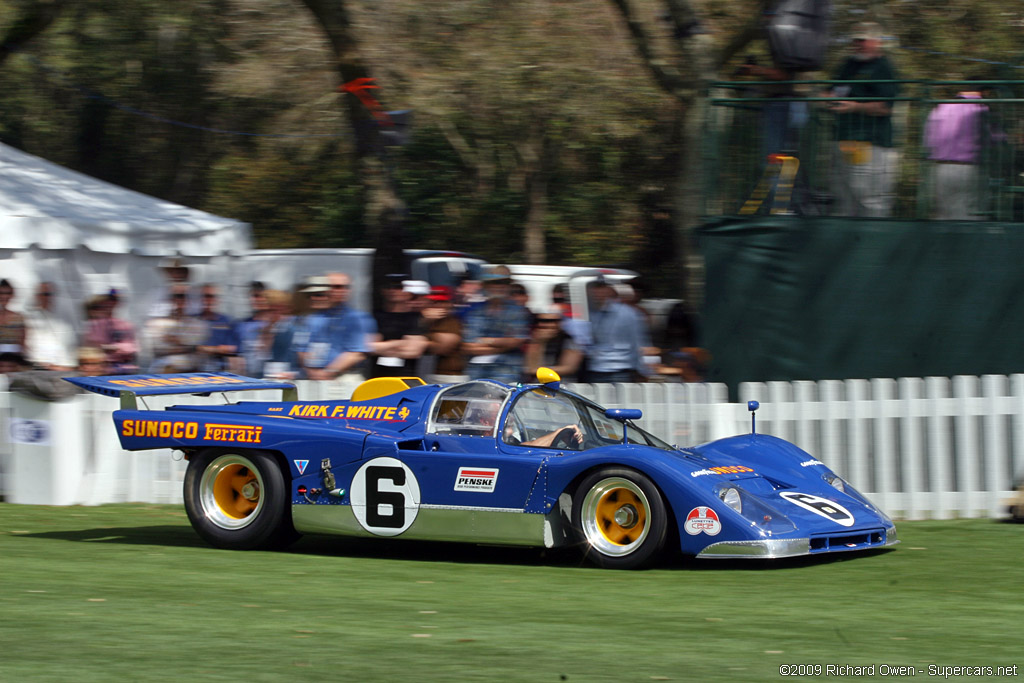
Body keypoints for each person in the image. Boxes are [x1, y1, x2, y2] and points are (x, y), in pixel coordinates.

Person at [827, 21, 900, 217]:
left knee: (871, 200)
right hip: (843, 140)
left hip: (871, 143)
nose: (857, 44)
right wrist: (826, 99)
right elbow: (830, 92)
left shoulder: (883, 67)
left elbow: (885, 107)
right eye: (855, 40)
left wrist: (855, 106)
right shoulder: (847, 65)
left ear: (877, 42)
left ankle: (873, 244)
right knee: (843, 198)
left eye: (862, 40)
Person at [924, 79, 998, 220]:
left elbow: (929, 139)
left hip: (939, 167)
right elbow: (992, 138)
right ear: (984, 92)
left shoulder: (941, 107)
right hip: (968, 168)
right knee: (969, 212)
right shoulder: (980, 109)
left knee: (943, 213)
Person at [461, 266, 531, 384]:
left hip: (508, 373)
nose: (500, 286)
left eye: (504, 283)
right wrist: (502, 344)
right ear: (486, 286)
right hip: (476, 374)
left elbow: (516, 341)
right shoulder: (475, 312)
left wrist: (484, 341)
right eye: (495, 283)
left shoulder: (518, 312)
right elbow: (467, 346)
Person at [301, 272, 372, 383]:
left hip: (344, 376)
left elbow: (356, 353)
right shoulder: (313, 318)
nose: (341, 291)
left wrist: (328, 373)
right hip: (312, 376)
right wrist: (311, 371)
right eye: (335, 287)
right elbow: (302, 348)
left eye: (345, 287)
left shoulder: (357, 318)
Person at [584, 276, 647, 383]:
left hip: (620, 372)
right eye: (594, 288)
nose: (597, 292)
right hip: (594, 369)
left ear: (610, 290)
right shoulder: (590, 312)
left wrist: (642, 370)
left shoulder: (628, 313)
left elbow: (637, 343)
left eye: (601, 288)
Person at [368, 277, 429, 378]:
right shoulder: (375, 316)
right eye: (389, 287)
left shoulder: (416, 318)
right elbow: (368, 347)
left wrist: (382, 345)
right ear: (383, 291)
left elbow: (413, 351)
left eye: (398, 287)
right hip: (375, 375)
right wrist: (400, 343)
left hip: (406, 375)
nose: (393, 291)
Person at [144, 284, 208, 373]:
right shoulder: (156, 324)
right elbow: (155, 350)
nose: (180, 300)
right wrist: (185, 345)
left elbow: (196, 348)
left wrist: (173, 342)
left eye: (184, 296)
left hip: (191, 370)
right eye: (176, 296)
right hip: (164, 370)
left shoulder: (198, 324)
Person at [24, 281, 77, 371]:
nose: (47, 298)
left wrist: (66, 367)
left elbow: (68, 346)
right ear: (37, 296)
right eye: (44, 294)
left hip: (60, 367)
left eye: (50, 294)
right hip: (37, 367)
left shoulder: (63, 319)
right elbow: (28, 346)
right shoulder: (29, 319)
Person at [420, 286, 467, 384]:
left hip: (450, 376)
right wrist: (425, 321)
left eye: (442, 302)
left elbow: (443, 347)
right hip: (424, 373)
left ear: (449, 304)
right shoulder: (422, 320)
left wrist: (422, 340)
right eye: (434, 302)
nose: (438, 306)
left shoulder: (454, 322)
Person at [82, 292, 138, 374]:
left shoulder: (123, 325)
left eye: (106, 306)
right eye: (97, 307)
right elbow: (89, 349)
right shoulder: (90, 326)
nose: (106, 309)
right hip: (97, 369)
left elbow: (132, 348)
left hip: (120, 368)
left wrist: (113, 347)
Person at [522, 308, 583, 383]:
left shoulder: (569, 340)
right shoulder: (535, 340)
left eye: (550, 321)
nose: (543, 324)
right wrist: (541, 342)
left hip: (563, 384)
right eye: (540, 321)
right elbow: (531, 367)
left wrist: (539, 371)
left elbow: (569, 368)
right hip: (538, 384)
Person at [194, 284, 239, 372]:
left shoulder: (227, 321)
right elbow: (188, 346)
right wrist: (218, 349)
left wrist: (204, 349)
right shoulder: (193, 320)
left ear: (217, 299)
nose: (207, 300)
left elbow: (232, 348)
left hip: (219, 368)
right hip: (195, 367)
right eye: (203, 296)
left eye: (210, 296)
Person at [0, 278, 27, 355]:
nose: (4, 296)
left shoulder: (19, 318)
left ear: (12, 295)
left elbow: (22, 344)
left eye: (7, 293)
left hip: (12, 360)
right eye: (1, 293)